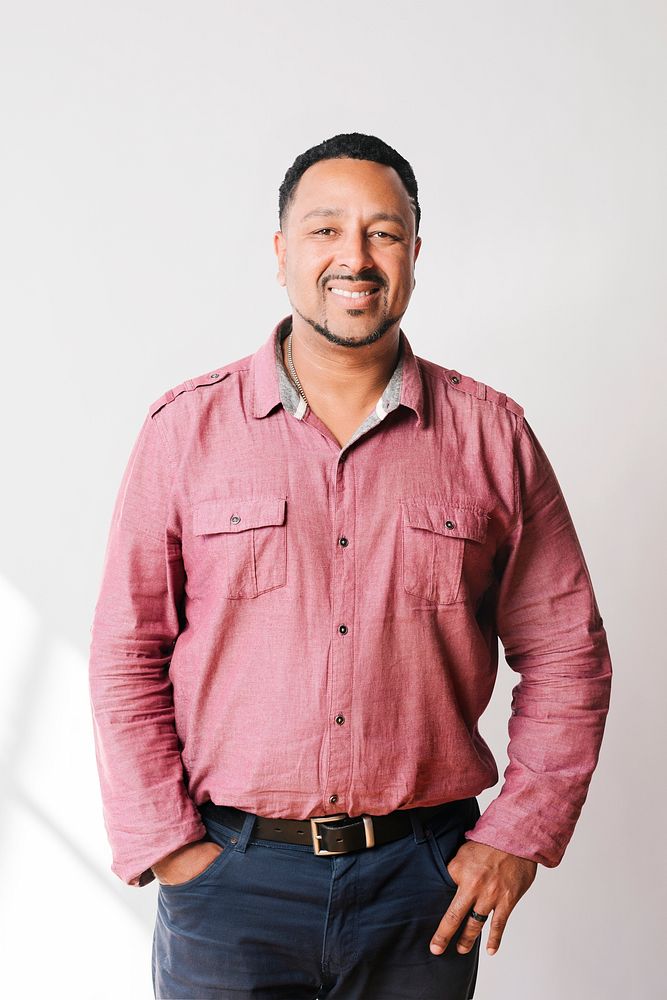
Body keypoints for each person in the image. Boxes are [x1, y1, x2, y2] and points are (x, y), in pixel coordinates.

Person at [88, 132, 612, 1000]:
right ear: (282, 253)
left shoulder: (493, 437)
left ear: (414, 252)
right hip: (230, 883)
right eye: (325, 230)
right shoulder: (184, 432)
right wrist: (171, 847)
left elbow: (567, 652)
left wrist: (519, 832)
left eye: (384, 231)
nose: (355, 257)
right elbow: (125, 650)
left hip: (423, 885)